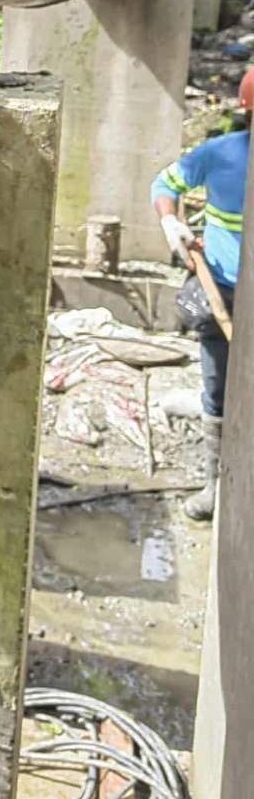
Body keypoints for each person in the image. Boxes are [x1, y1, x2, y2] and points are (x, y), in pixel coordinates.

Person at [151, 66, 253, 521]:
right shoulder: (221, 154)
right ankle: (216, 486)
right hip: (223, 293)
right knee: (217, 388)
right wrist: (171, 221)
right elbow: (164, 184)